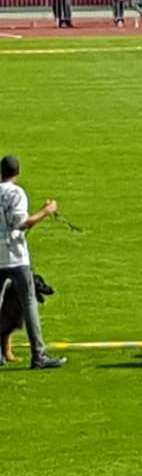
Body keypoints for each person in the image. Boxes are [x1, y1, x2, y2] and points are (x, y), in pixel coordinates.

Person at [0, 155, 66, 369]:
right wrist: (47, 212)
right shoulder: (16, 193)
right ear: (17, 173)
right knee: (29, 303)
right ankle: (39, 355)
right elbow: (21, 224)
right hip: (16, 257)